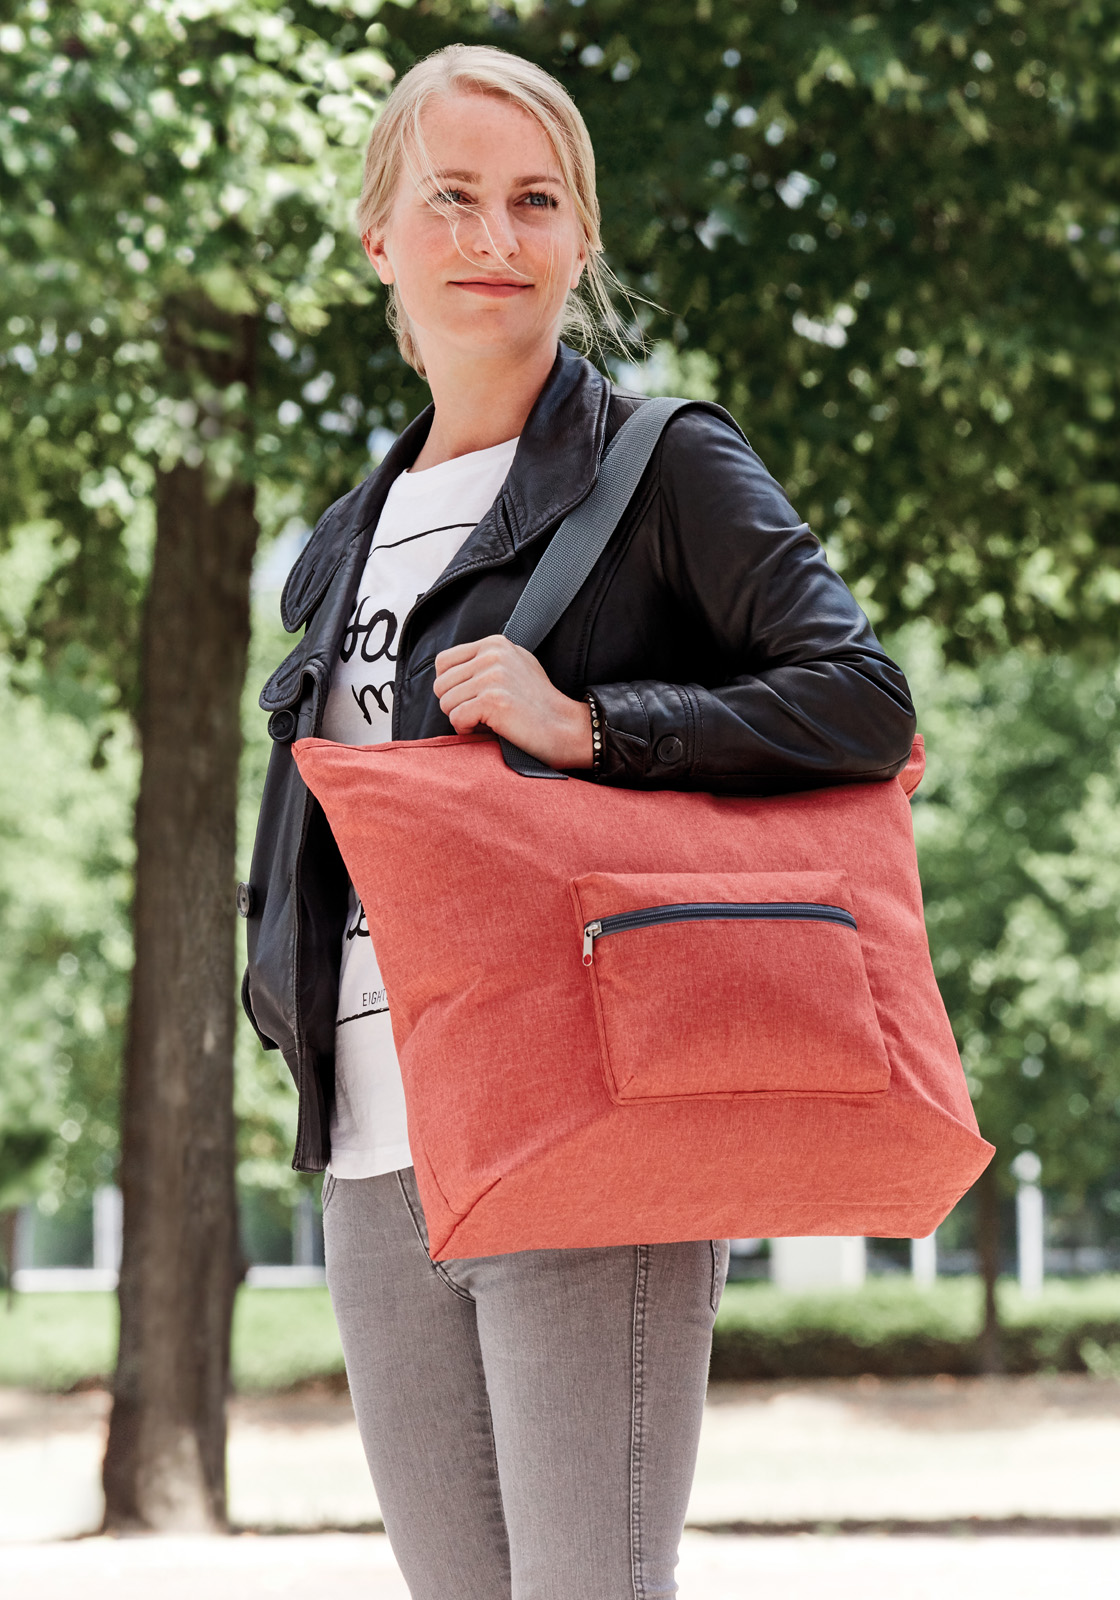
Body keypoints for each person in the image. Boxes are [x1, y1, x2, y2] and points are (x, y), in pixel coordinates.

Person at [242, 43, 916, 1600]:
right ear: (380, 238)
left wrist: (594, 724)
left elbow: (862, 699)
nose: (494, 236)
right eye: (452, 198)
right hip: (376, 1137)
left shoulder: (660, 463)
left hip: (584, 1111)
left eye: (537, 202)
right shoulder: (346, 537)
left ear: (581, 239)